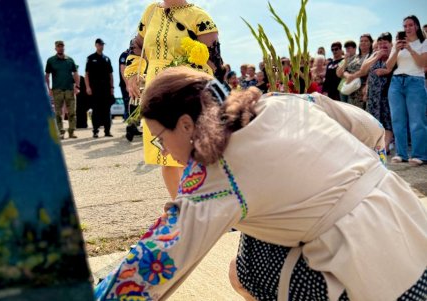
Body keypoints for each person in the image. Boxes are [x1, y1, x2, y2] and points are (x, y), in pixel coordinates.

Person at [94, 67, 427, 301]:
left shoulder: (214, 174)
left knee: (247, 265)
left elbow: (155, 260)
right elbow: (369, 126)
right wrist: (363, 179)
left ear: (184, 125)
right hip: (414, 235)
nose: (162, 150)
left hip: (376, 279)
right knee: (261, 231)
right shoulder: (281, 102)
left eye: (159, 139)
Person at [124, 0, 223, 199]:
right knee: (165, 158)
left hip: (184, 93)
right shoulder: (151, 12)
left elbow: (213, 62)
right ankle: (180, 210)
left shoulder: (200, 17)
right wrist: (133, 73)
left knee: (186, 157)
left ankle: (200, 211)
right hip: (154, 92)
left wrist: (189, 78)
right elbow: (136, 48)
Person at [386, 15, 427, 166]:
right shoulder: (398, 44)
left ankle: (419, 155)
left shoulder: (424, 43)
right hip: (396, 82)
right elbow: (389, 66)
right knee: (397, 119)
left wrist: (410, 49)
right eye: (405, 26)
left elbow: (423, 63)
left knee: (417, 120)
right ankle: (401, 153)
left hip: (415, 81)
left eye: (410, 25)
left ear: (416, 26)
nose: (407, 28)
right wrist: (396, 50)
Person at [45, 40, 80, 139]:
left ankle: (72, 132)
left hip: (70, 89)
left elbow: (75, 74)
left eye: (62, 46)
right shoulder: (51, 61)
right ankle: (61, 132)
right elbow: (47, 76)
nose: (60, 48)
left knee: (72, 112)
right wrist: (49, 89)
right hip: (57, 90)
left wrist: (77, 87)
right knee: (58, 113)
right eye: (58, 46)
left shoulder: (70, 60)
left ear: (64, 47)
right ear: (55, 48)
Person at [85, 38, 114, 138]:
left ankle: (107, 131)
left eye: (103, 45)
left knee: (106, 110)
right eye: (100, 44)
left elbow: (111, 75)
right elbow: (87, 74)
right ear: (96, 45)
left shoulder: (107, 59)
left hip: (106, 88)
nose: (102, 46)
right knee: (96, 110)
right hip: (95, 89)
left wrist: (112, 88)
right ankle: (95, 131)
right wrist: (88, 87)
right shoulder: (90, 58)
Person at [337, 35, 374, 109]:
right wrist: (347, 75)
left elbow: (366, 71)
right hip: (351, 91)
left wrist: (352, 76)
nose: (363, 43)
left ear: (371, 43)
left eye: (366, 41)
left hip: (363, 90)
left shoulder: (372, 56)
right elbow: (343, 71)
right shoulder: (355, 57)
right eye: (361, 41)